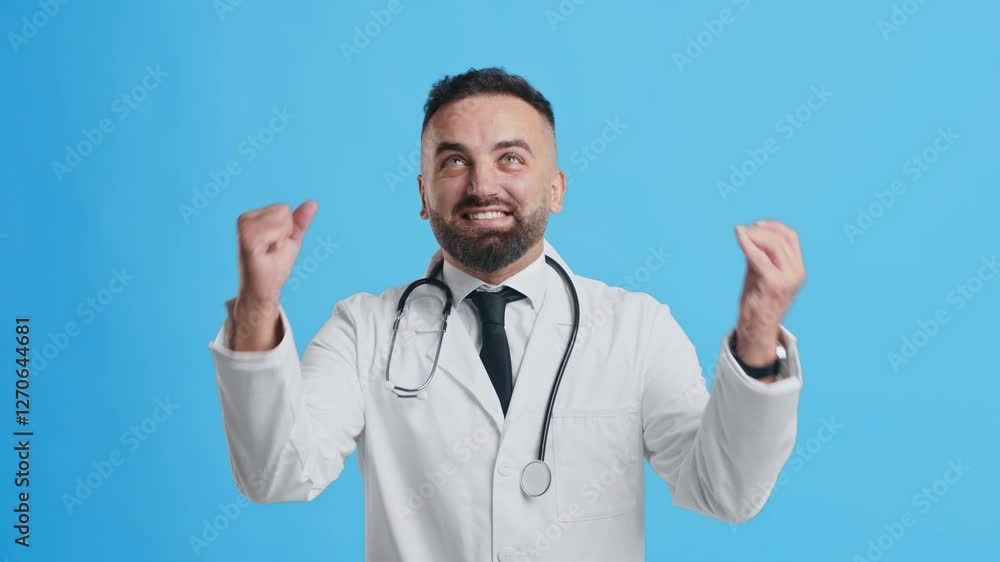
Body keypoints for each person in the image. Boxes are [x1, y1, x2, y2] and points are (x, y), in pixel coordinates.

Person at [208, 67, 806, 561]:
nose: (481, 185)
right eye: (454, 162)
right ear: (423, 195)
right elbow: (275, 474)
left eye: (511, 159)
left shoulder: (636, 328)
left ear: (556, 189)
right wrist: (257, 307)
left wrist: (758, 330)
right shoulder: (364, 328)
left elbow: (724, 491)